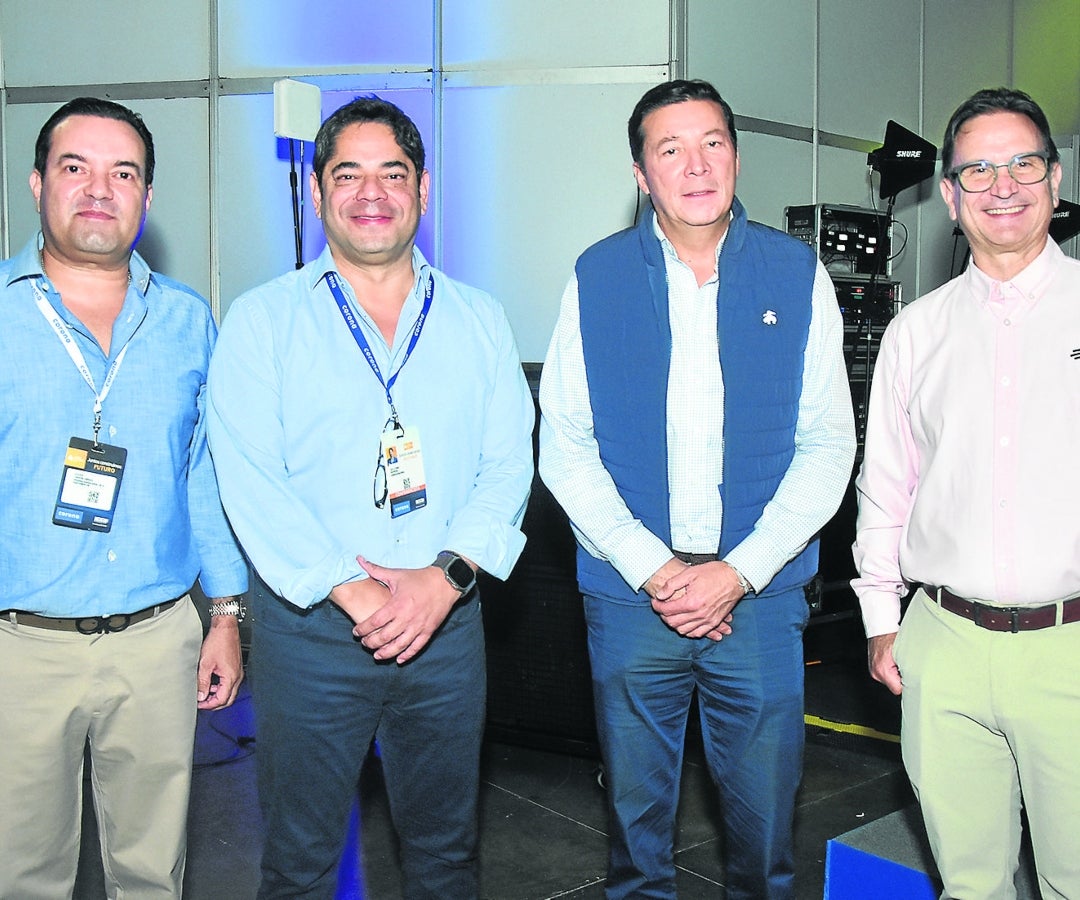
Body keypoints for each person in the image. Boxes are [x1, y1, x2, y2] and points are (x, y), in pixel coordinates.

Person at [206, 96, 534, 899]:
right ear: (317, 193)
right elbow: (248, 476)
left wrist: (443, 580)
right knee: (299, 860)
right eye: (347, 173)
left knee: (446, 855)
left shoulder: (480, 321)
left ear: (423, 190)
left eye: (393, 172)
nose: (371, 192)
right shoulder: (262, 322)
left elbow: (509, 464)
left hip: (446, 629)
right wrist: (350, 588)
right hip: (312, 631)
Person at [538, 79, 856, 900]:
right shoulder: (596, 276)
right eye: (669, 148)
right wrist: (654, 569)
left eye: (712, 142)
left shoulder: (796, 274)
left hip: (758, 597)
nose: (695, 164)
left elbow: (828, 448)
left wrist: (736, 573)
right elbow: (564, 448)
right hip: (630, 598)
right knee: (636, 837)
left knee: (764, 833)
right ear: (641, 174)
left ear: (737, 156)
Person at [0, 97, 248, 900]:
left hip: (157, 645)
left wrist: (227, 616)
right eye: (76, 168)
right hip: (18, 651)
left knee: (151, 873)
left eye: (123, 173)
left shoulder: (186, 322)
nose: (99, 189)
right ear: (38, 183)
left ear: (147, 197)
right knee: (22, 874)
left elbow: (203, 475)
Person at [853, 87, 1080, 899]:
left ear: (1054, 181)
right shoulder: (918, 331)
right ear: (949, 195)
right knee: (970, 886)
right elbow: (886, 487)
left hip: (1073, 646)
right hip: (943, 646)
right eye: (977, 170)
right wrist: (882, 622)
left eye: (1023, 163)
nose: (1003, 186)